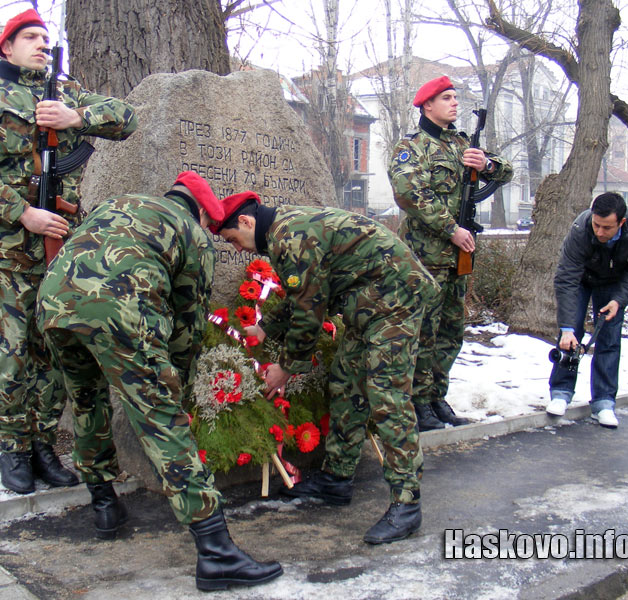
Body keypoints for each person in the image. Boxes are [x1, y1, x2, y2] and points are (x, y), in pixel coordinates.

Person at [35, 172, 283, 591]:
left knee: (86, 398)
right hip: (118, 313)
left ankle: (104, 504)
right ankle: (217, 553)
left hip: (54, 305)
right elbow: (188, 326)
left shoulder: (119, 203)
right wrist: (176, 388)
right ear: (203, 212)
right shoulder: (193, 234)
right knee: (162, 421)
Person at [0, 9, 138, 494]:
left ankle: (42, 445)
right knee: (10, 356)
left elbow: (128, 118)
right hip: (3, 254)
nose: (39, 44)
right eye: (29, 36)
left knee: (53, 355)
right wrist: (23, 213)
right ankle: (13, 448)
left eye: (44, 37)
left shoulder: (67, 93)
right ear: (7, 47)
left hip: (59, 252)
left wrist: (78, 117)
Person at [211, 191, 440, 545]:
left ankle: (407, 502)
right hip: (371, 302)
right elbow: (306, 294)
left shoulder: (290, 237)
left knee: (387, 397)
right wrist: (266, 328)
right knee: (346, 382)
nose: (237, 249)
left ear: (245, 221)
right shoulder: (284, 232)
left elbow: (309, 315)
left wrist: (285, 368)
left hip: (396, 299)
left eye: (232, 239)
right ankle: (337, 479)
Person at [388, 75, 513, 431]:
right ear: (427, 105)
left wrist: (486, 165)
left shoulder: (462, 145)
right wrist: (451, 229)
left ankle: (436, 397)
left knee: (451, 330)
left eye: (455, 97)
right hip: (425, 258)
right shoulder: (412, 147)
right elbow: (409, 194)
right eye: (446, 97)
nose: (454, 102)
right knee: (422, 331)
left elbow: (506, 171)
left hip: (458, 257)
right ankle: (417, 402)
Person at [545, 192, 628, 428]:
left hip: (613, 283)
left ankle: (604, 403)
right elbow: (566, 277)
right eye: (597, 225)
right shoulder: (581, 228)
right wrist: (566, 328)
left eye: (607, 227)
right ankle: (561, 392)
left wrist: (619, 299)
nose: (600, 232)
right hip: (581, 279)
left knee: (609, 338)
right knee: (571, 333)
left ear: (621, 222)